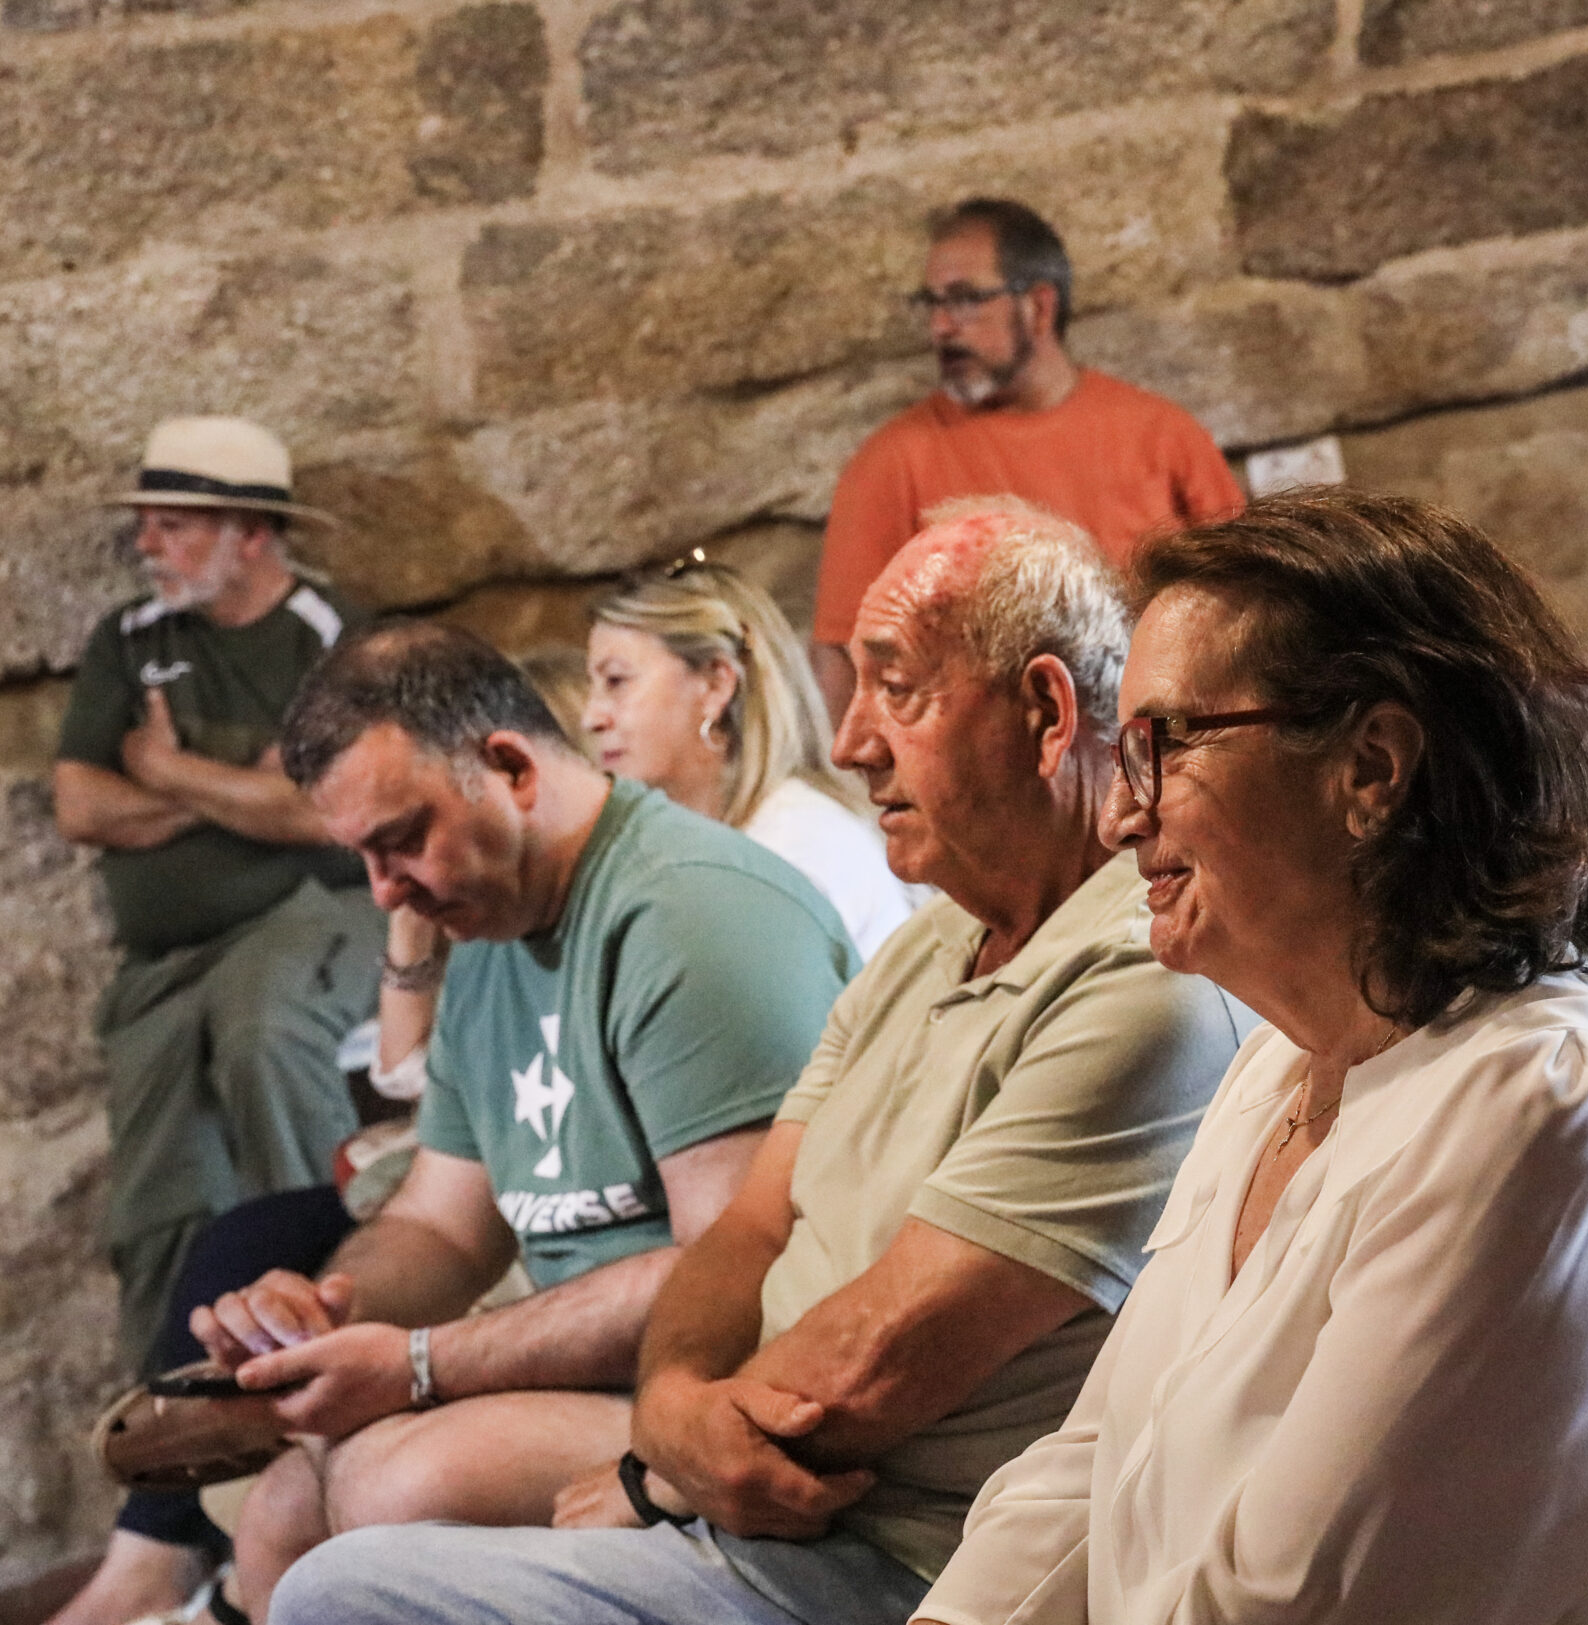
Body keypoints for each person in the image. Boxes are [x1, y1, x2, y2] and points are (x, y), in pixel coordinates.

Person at [270, 498, 1249, 1625]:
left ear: (1045, 711)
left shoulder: (1137, 971)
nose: (850, 742)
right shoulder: (930, 943)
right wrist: (671, 1413)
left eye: (898, 689)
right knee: (315, 1525)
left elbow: (881, 1357)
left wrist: (656, 1463)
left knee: (344, 1585)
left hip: (902, 1549)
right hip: (739, 1485)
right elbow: (746, 1228)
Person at [910, 489, 1588, 1624]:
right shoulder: (1277, 1070)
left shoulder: (1543, 1110)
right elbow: (1089, 1470)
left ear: (1370, 766)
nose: (1120, 816)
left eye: (1164, 744)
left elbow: (1292, 1602)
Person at [185, 622, 854, 1623]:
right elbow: (440, 1226)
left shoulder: (691, 914)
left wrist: (422, 1363)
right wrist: (322, 1315)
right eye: (361, 855)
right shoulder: (492, 927)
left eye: (402, 838)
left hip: (744, 1390)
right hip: (618, 1376)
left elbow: (739, 1264)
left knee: (390, 1485)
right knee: (281, 1509)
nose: (385, 891)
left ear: (510, 766)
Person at [45, 416, 387, 1625]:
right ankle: (171, 1500)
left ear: (251, 533)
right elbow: (81, 801)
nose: (149, 541)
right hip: (164, 959)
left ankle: (310, 1370)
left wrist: (174, 771)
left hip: (310, 921)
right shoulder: (132, 637)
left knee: (263, 1042)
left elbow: (328, 812)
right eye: (149, 520)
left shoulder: (326, 635)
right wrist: (243, 797)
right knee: (151, 1201)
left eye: (175, 522)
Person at [807, 197, 1241, 721]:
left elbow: (1247, 607)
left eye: (965, 300)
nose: (940, 326)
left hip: (1157, 745)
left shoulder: (1163, 436)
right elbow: (843, 657)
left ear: (1038, 306)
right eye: (932, 303)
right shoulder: (891, 462)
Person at [586, 556, 910, 958]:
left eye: (616, 680)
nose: (591, 717)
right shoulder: (713, 841)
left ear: (715, 684)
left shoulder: (799, 847)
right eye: (593, 685)